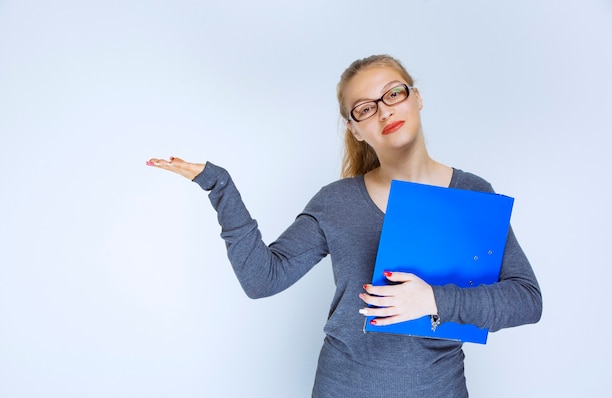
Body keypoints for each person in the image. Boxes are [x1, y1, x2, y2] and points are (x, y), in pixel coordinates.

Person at [146, 54, 542, 397]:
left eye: (393, 94)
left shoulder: (473, 194)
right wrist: (220, 185)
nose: (384, 110)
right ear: (354, 128)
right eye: (365, 108)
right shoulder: (336, 202)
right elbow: (261, 279)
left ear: (416, 97)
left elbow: (526, 300)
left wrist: (433, 300)